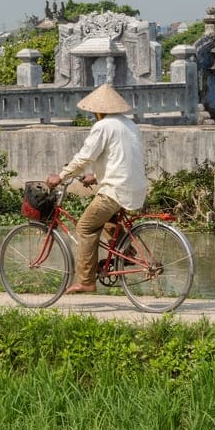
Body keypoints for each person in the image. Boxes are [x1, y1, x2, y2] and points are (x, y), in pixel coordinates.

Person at [45, 82, 147, 294]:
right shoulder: (129, 125)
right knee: (110, 223)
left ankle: (86, 280)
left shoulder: (103, 126)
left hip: (116, 190)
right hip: (135, 188)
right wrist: (95, 176)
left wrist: (61, 176)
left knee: (85, 227)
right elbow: (119, 159)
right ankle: (124, 253)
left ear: (99, 111)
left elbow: (85, 157)